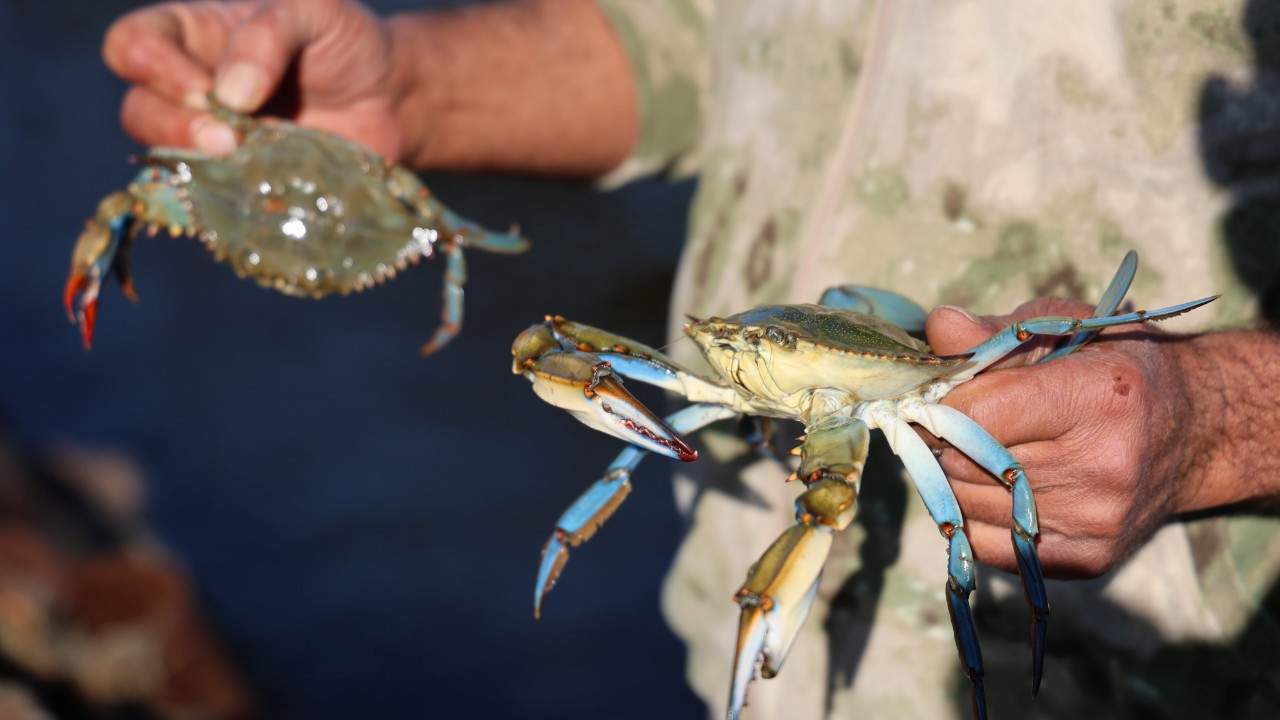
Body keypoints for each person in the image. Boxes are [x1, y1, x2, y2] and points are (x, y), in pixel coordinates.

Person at [105, 0, 1280, 717]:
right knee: (560, 350)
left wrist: (1222, 415)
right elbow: (704, 33)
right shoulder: (730, 361)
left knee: (902, 524)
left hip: (1174, 671)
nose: (734, 358)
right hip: (758, 682)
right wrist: (407, 86)